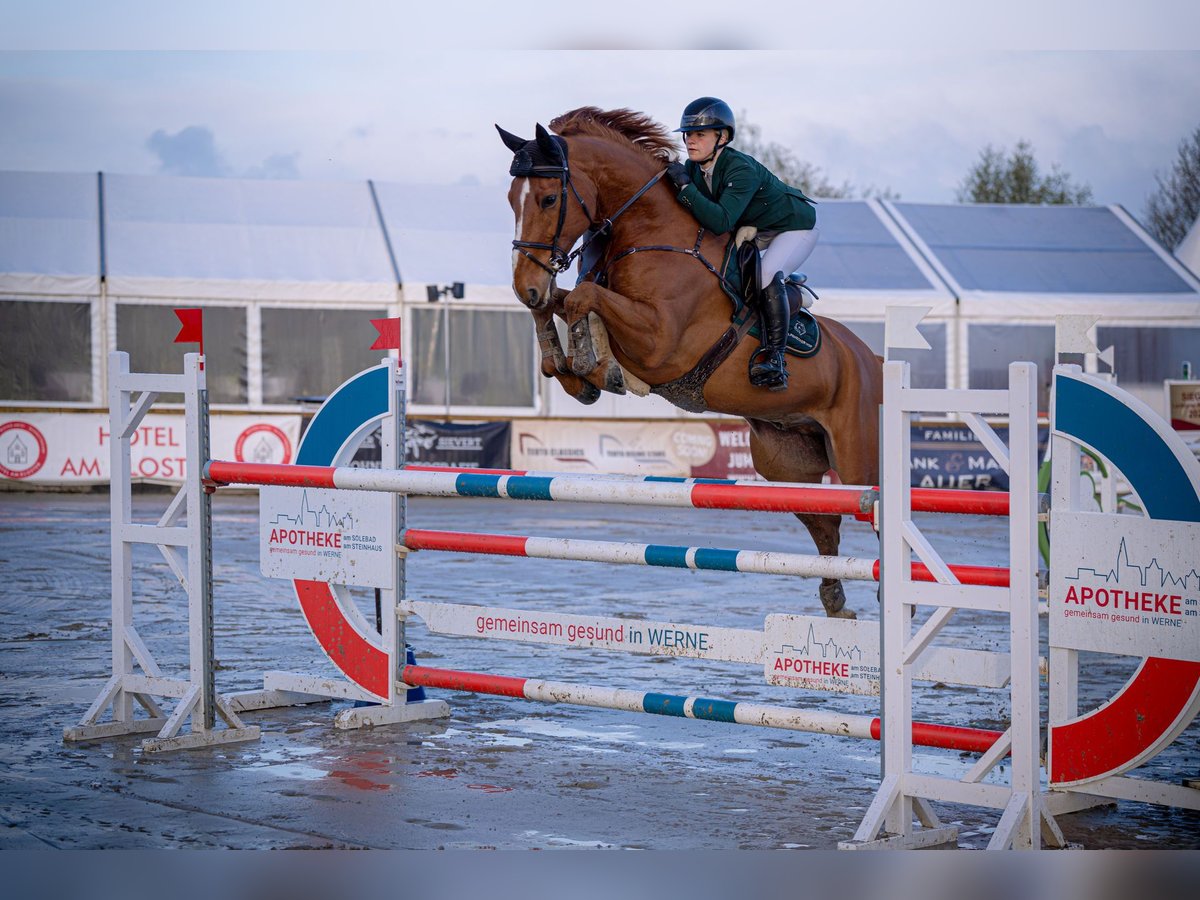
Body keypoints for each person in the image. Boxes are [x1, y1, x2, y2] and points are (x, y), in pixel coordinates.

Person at [665, 97, 818, 391]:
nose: (690, 141)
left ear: (722, 137)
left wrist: (684, 187)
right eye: (687, 134)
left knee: (763, 276)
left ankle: (775, 358)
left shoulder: (740, 168)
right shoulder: (694, 167)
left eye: (699, 134)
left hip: (795, 227)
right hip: (758, 227)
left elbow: (720, 221)